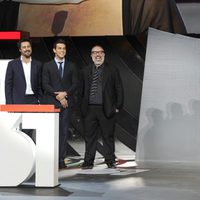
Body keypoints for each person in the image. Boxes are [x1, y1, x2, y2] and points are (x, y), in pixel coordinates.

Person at [79, 45, 124, 169]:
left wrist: (118, 106)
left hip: (107, 109)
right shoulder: (85, 71)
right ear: (91, 55)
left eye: (100, 52)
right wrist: (81, 108)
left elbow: (119, 88)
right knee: (89, 137)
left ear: (104, 54)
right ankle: (88, 161)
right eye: (94, 53)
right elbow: (81, 91)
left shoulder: (112, 70)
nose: (97, 55)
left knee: (108, 136)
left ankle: (110, 160)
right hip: (89, 110)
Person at [42, 39, 78, 169]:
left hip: (66, 104)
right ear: (54, 50)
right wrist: (58, 96)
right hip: (51, 104)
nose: (62, 50)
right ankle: (50, 158)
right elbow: (45, 84)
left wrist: (65, 94)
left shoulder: (71, 66)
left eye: (64, 48)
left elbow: (75, 84)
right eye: (59, 48)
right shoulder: (47, 66)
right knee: (51, 132)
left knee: (63, 132)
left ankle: (61, 159)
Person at [5, 38, 43, 104]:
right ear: (20, 49)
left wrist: (40, 99)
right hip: (18, 100)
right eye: (24, 47)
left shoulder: (38, 64)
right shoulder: (12, 64)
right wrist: (9, 104)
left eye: (28, 46)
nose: (27, 49)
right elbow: (8, 85)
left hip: (34, 100)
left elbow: (40, 85)